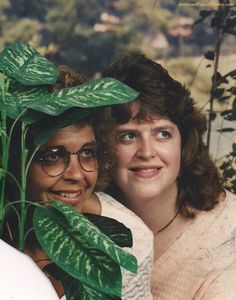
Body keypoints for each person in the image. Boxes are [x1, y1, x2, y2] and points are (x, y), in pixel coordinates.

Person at [3, 65, 153, 299]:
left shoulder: (129, 245)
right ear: (14, 161)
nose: (76, 174)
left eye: (87, 153)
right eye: (52, 156)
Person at [102, 52, 236, 299]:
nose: (146, 151)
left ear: (184, 143)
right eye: (128, 136)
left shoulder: (227, 228)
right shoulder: (88, 221)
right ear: (104, 148)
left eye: (162, 133)